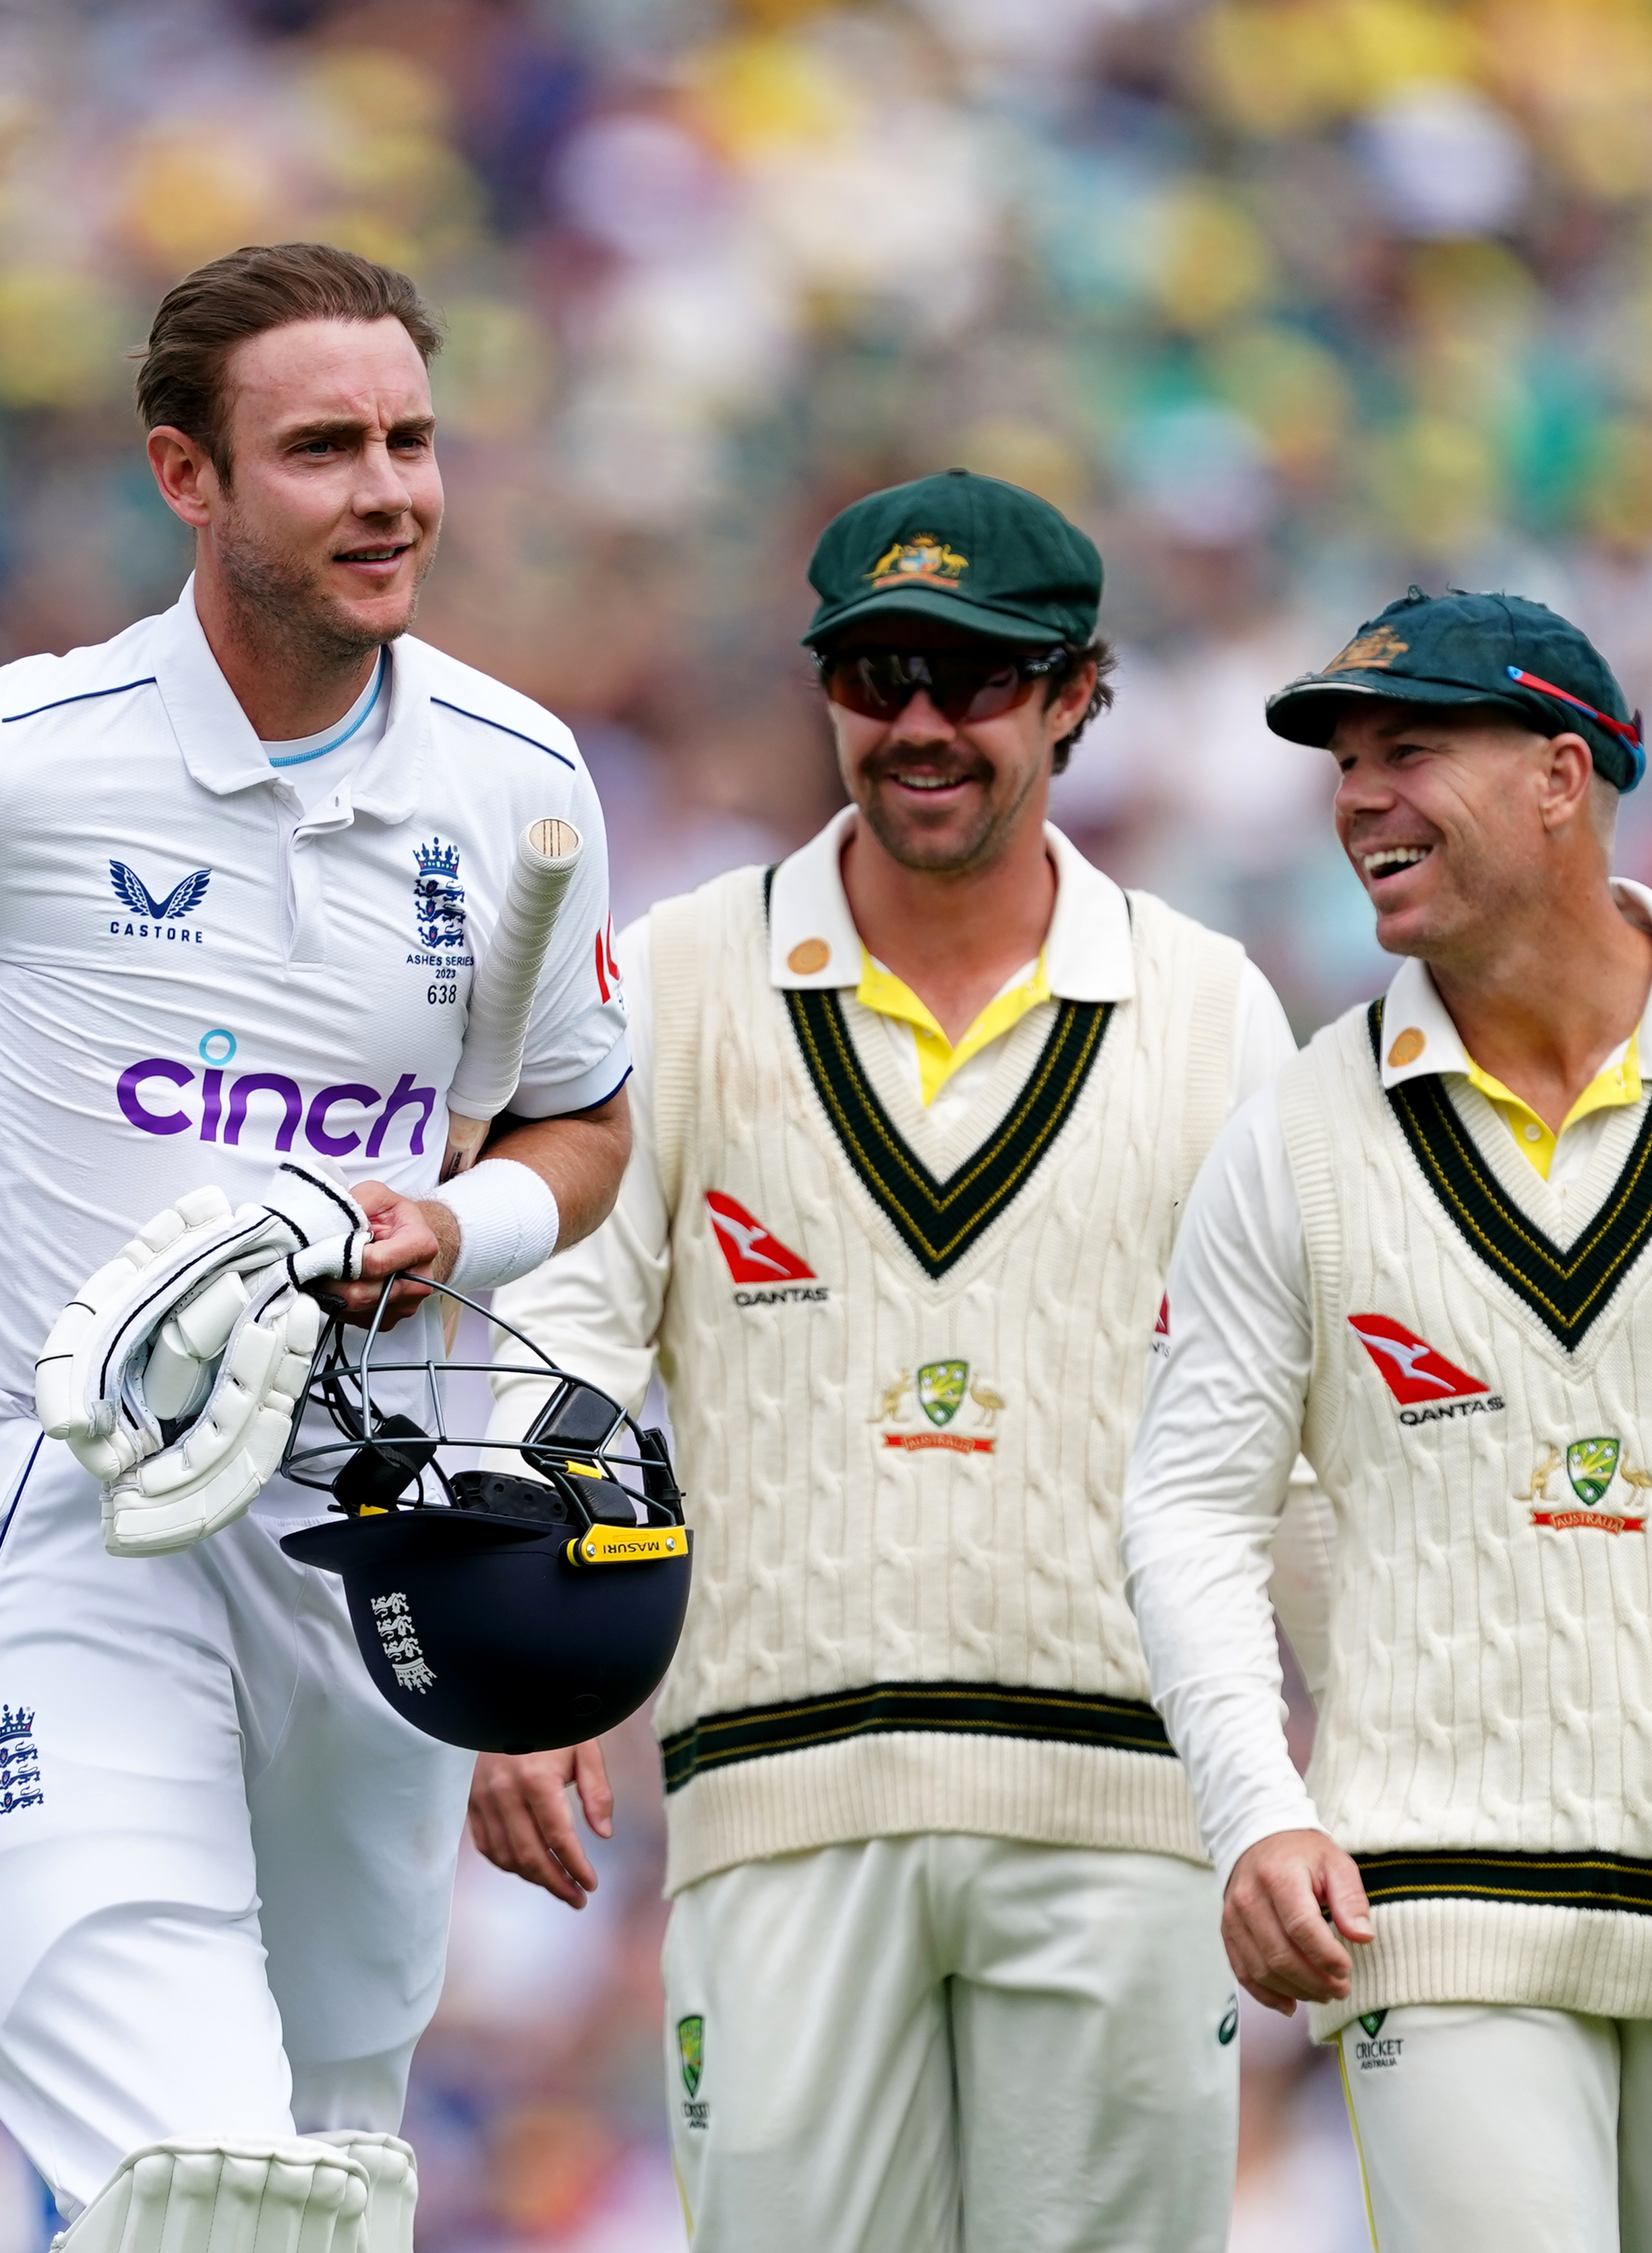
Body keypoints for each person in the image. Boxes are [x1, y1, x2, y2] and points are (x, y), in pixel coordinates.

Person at [0, 243, 632, 2248]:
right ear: (187, 476)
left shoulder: (519, 780)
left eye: (411, 441)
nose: (389, 493)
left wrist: (456, 1220)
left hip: (371, 1533)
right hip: (53, 1505)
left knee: (329, 2174)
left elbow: (581, 1125)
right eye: (323, 449)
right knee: (201, 2173)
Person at [471, 469, 1295, 2252]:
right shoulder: (677, 976)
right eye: (877, 673)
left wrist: (1332, 1768)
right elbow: (564, 1338)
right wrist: (530, 1661)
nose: (919, 723)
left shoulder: (1211, 1008)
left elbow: (1280, 1430)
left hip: (1122, 1796)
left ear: (1078, 693)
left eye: (977, 677)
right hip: (783, 1791)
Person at [1121, 590, 1652, 2252]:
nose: (1359, 799)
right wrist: (1259, 1809)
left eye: (1410, 752)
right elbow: (1189, 1507)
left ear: (1560, 776)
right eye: (1345, 763)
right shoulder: (1292, 1137)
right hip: (1440, 1906)